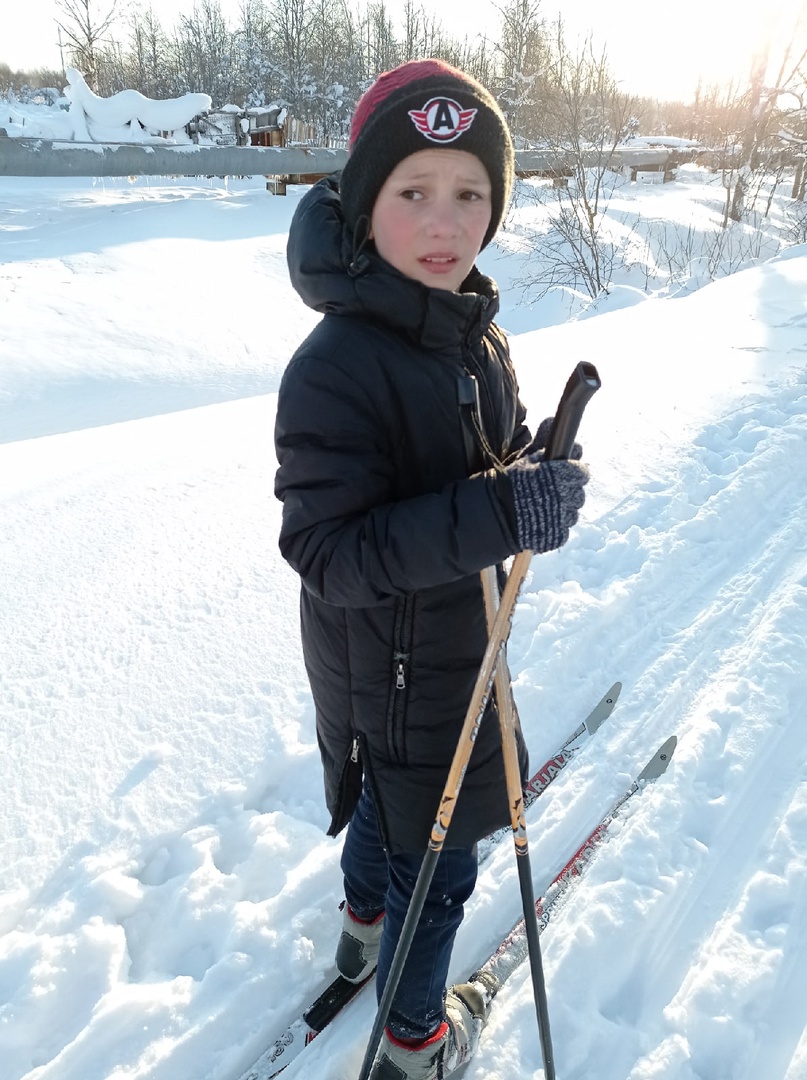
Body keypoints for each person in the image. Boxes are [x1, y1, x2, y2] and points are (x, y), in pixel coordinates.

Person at [274, 59, 589, 1080]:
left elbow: (466, 467)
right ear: (367, 207)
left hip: (436, 650)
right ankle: (414, 1044)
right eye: (414, 192)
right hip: (401, 669)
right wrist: (499, 510)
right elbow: (327, 552)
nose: (444, 222)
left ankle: (363, 932)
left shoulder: (468, 326)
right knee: (441, 865)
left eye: (470, 194)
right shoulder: (335, 366)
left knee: (385, 805)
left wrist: (524, 471)